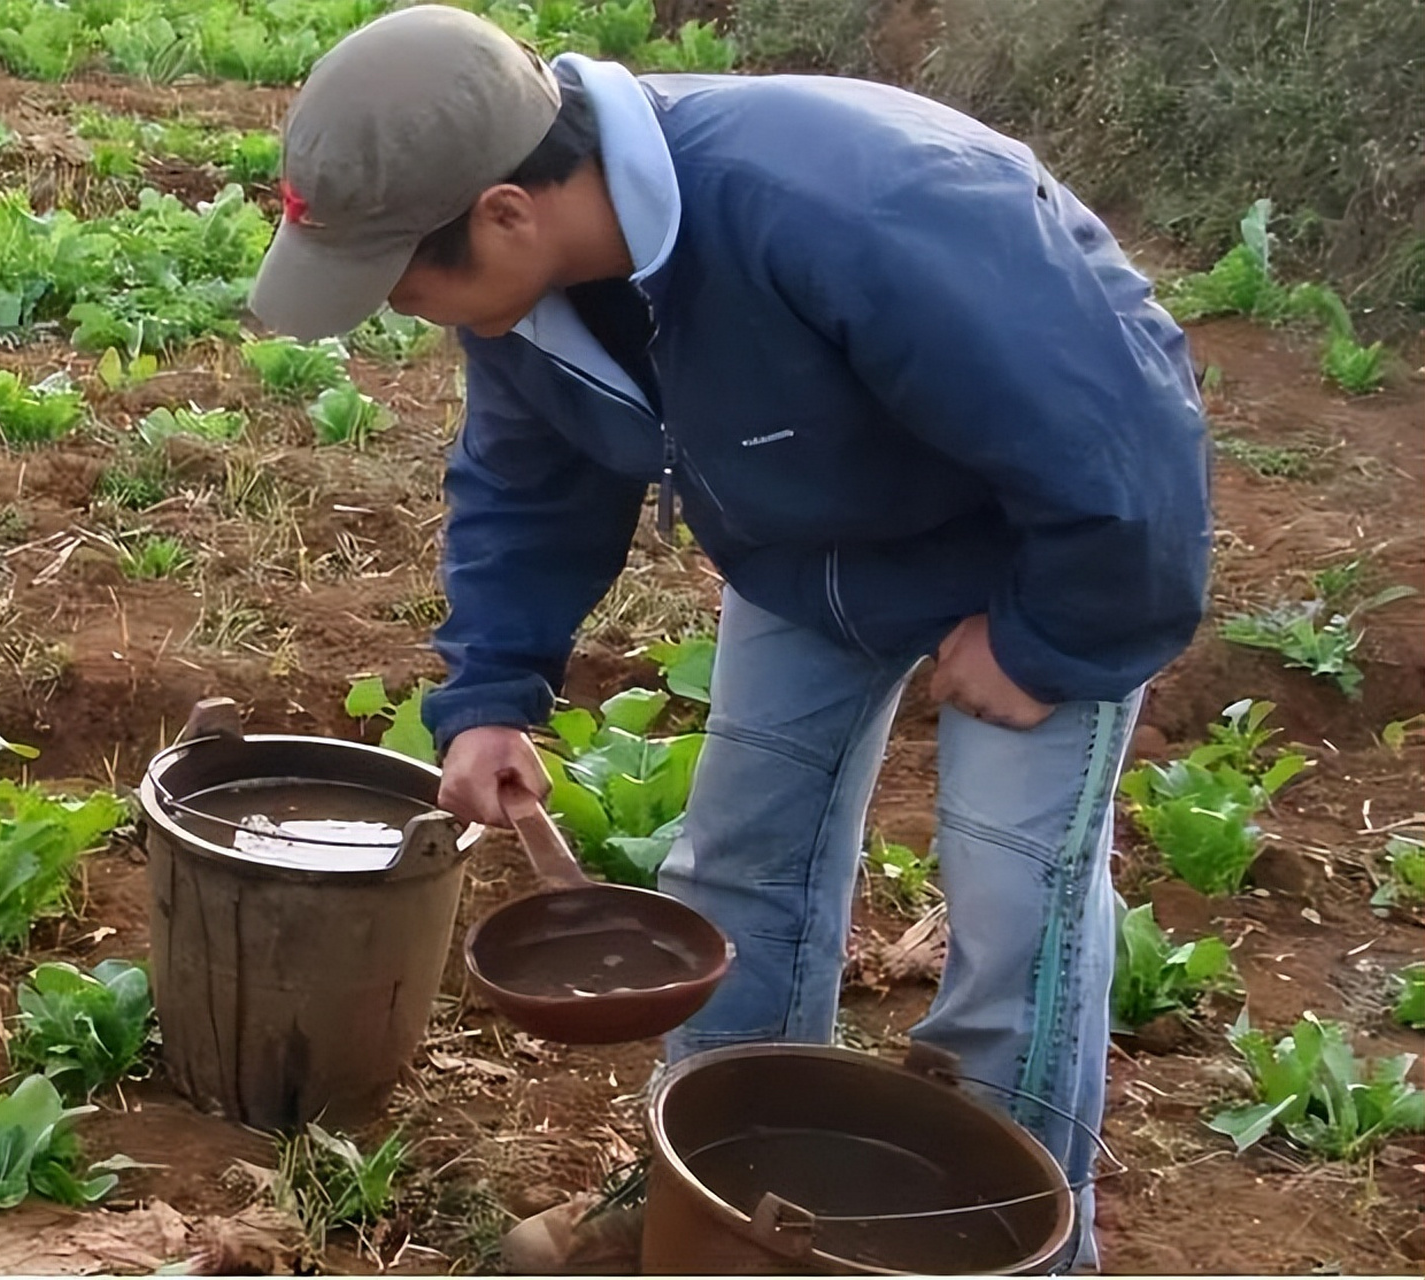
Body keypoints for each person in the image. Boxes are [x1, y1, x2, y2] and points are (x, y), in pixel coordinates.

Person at [249, 6, 1211, 1271]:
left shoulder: (842, 202)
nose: (408, 312)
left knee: (1012, 909)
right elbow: (527, 484)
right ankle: (707, 1192)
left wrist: (1049, 637)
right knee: (742, 864)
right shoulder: (530, 303)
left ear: (504, 212)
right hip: (803, 556)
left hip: (1030, 554)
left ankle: (1007, 1244)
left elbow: (1119, 437)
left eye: (406, 285)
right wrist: (489, 690)